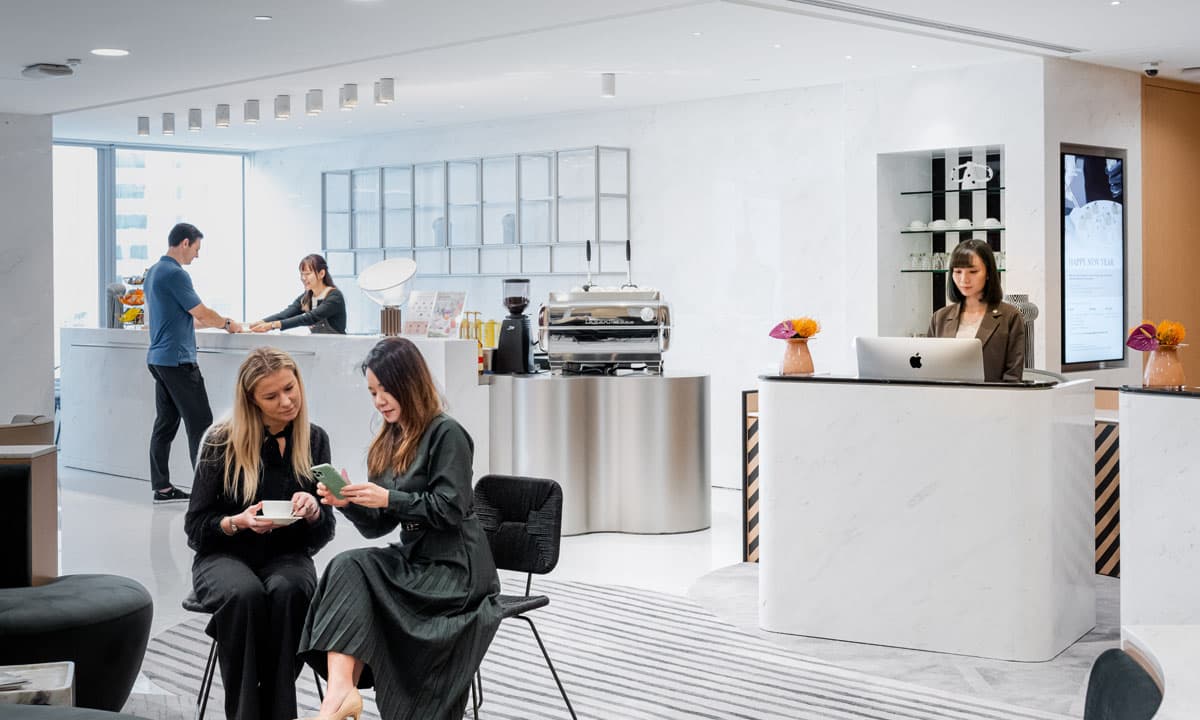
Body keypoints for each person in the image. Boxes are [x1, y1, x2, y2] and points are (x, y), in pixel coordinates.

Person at [298, 337, 502, 720]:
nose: (379, 400)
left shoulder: (446, 434)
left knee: (359, 577)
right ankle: (339, 695)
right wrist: (349, 503)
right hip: (417, 561)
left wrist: (389, 498)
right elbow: (377, 528)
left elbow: (450, 509)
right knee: (346, 565)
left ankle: (338, 702)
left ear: (410, 382)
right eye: (373, 392)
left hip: (457, 571)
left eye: (386, 389)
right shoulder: (388, 440)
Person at [184, 347, 336, 720]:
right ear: (251, 400)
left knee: (291, 591)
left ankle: (274, 710)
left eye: (290, 388)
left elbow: (325, 532)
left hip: (288, 556)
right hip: (223, 555)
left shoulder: (316, 439)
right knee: (244, 595)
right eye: (271, 396)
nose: (286, 401)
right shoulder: (220, 440)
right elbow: (195, 528)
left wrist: (314, 512)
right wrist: (236, 522)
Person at [145, 222, 243, 503]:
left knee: (165, 423)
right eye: (196, 249)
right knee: (201, 423)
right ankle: (207, 492)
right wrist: (228, 324)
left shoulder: (154, 272)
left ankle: (162, 488)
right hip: (178, 361)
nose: (197, 255)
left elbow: (185, 318)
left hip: (159, 359)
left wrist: (214, 322)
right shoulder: (176, 273)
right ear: (185, 243)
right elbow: (201, 312)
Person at [928, 238, 1026, 382]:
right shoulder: (940, 317)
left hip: (992, 395)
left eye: (973, 271)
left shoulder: (1010, 317)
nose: (964, 279)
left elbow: (1013, 376)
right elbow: (929, 368)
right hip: (946, 394)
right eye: (958, 271)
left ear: (988, 273)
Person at [251, 254, 346, 334]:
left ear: (321, 273)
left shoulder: (334, 296)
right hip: (318, 345)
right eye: (302, 274)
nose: (303, 278)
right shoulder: (306, 297)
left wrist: (272, 325)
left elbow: (310, 318)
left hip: (337, 347)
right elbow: (286, 314)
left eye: (307, 274)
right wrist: (261, 322)